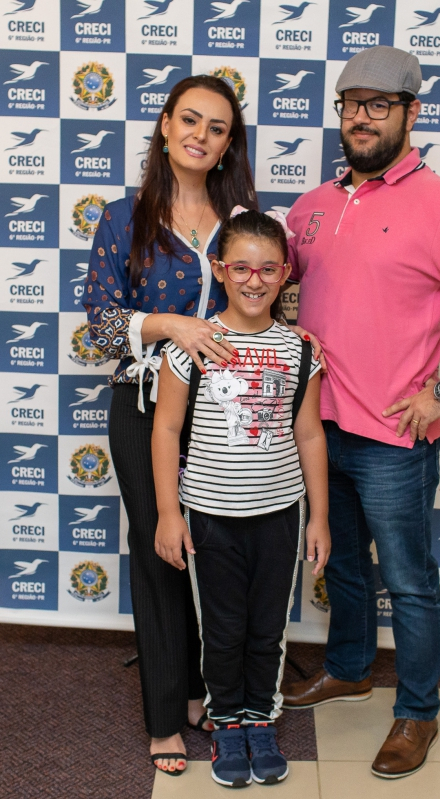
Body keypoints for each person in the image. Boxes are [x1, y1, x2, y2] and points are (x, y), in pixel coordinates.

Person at [282, 45, 440, 779]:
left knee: (410, 580)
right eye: (351, 104)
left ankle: (417, 711)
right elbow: (289, 294)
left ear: (410, 113)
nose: (361, 117)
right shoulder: (312, 205)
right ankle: (350, 668)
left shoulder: (439, 202)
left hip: (392, 434)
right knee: (343, 562)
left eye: (378, 104)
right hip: (320, 426)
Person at [82, 75, 259, 776]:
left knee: (212, 546)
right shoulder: (123, 217)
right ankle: (164, 717)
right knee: (160, 546)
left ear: (228, 144)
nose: (200, 135)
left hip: (222, 410)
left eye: (217, 128)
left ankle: (196, 689)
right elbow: (101, 325)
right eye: (189, 120)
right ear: (164, 125)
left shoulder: (242, 218)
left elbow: (271, 299)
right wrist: (170, 325)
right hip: (142, 404)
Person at [152, 209, 331, 787]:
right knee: (223, 628)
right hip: (210, 518)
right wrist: (168, 513)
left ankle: (261, 718)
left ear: (285, 275)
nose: (255, 281)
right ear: (219, 269)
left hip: (279, 516)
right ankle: (227, 721)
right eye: (241, 268)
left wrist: (319, 517)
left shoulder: (300, 350)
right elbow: (166, 430)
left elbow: (309, 434)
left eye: (268, 269)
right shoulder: (192, 345)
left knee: (267, 628)